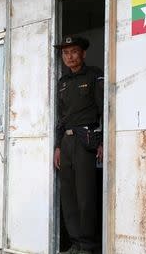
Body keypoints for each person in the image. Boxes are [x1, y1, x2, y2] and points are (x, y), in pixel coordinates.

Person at [54, 36, 104, 254]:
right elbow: (61, 117)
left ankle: (88, 246)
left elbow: (104, 109)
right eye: (65, 53)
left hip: (86, 141)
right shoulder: (62, 83)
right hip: (66, 142)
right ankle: (75, 243)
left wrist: (102, 141)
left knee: (85, 196)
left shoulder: (94, 75)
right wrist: (57, 146)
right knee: (69, 196)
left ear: (83, 54)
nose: (70, 57)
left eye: (74, 52)